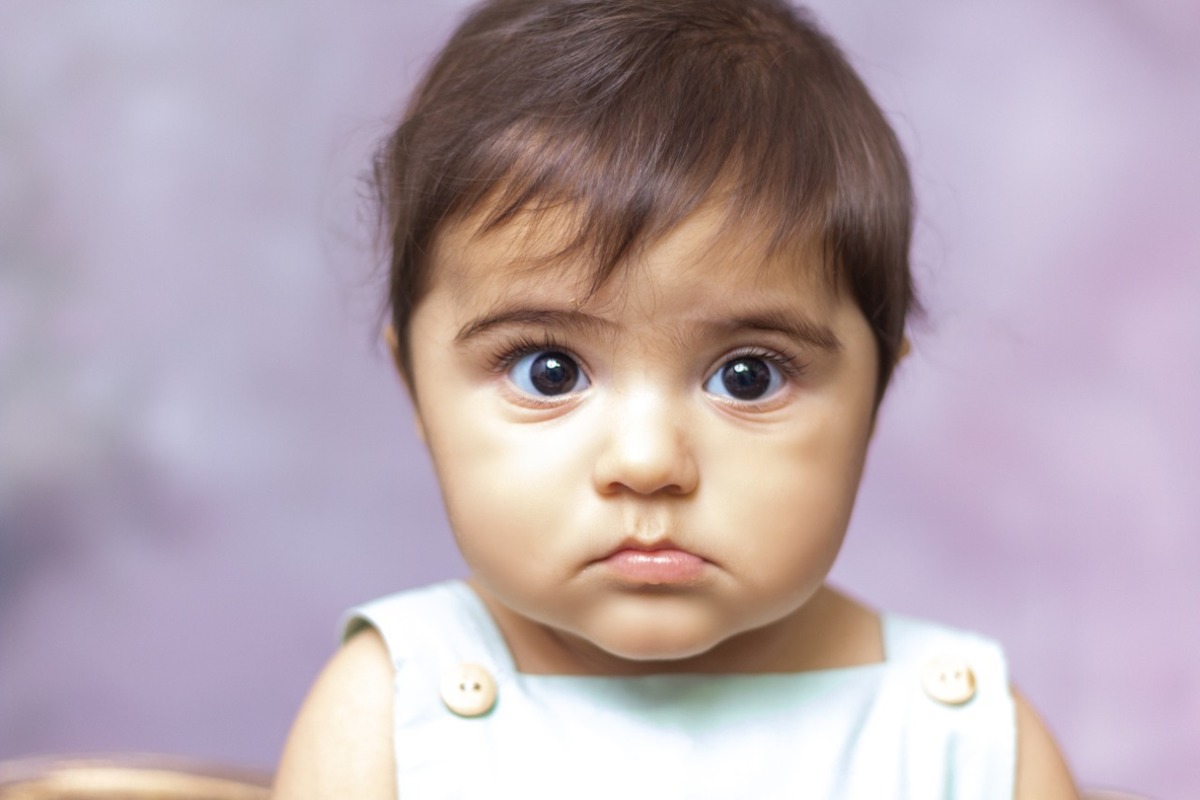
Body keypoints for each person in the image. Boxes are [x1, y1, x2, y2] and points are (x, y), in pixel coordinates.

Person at [273, 0, 1078, 796]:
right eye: (548, 371)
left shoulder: (968, 746)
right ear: (416, 386)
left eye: (748, 376)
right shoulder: (390, 720)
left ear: (876, 395)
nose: (649, 461)